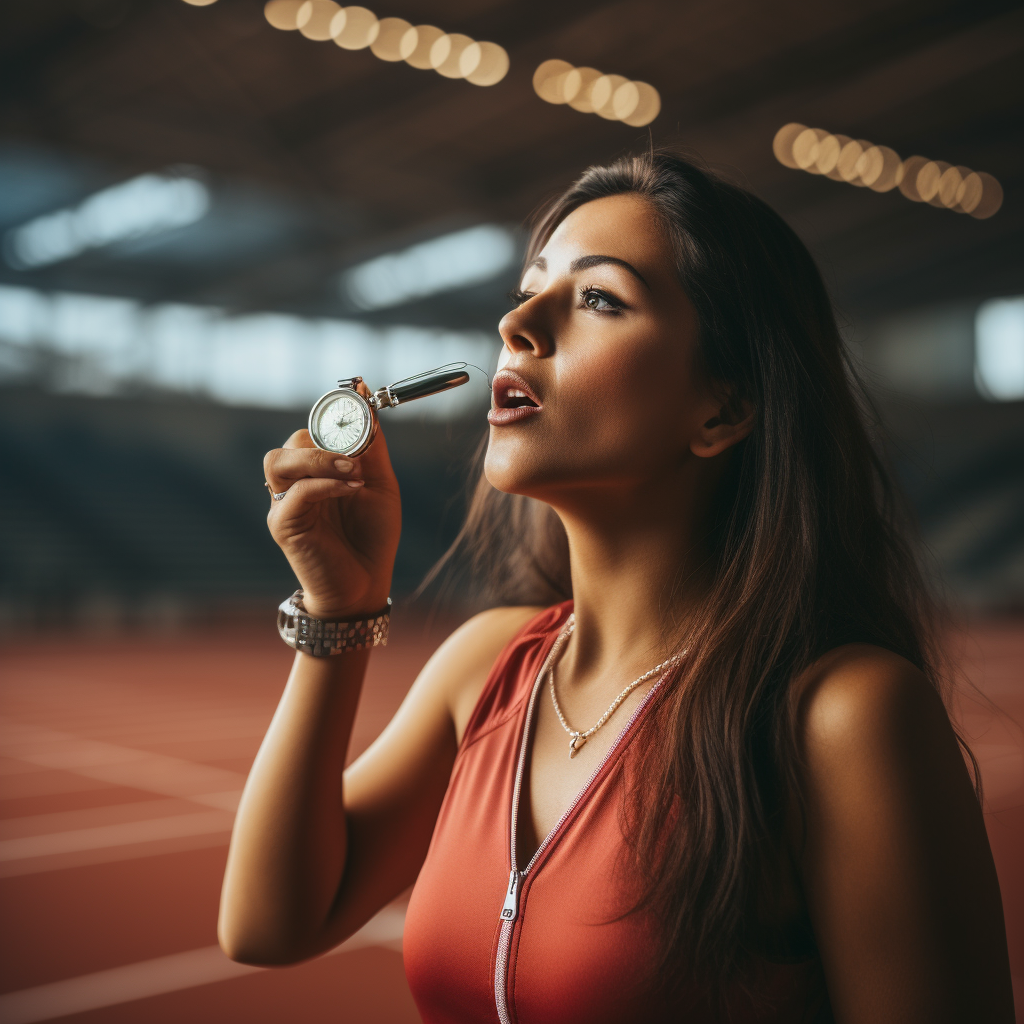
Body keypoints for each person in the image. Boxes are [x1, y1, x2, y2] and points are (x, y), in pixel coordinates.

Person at [218, 151, 1015, 1022]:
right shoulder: (486, 665)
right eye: (529, 289)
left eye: (599, 297)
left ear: (723, 410)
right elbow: (267, 923)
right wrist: (341, 609)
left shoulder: (844, 717)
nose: (518, 322)